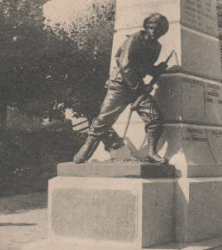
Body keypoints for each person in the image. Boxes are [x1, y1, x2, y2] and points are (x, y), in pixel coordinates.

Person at [73, 13, 170, 164]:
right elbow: (125, 65)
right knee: (104, 120)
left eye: (158, 29)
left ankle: (151, 152)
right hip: (120, 85)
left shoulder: (156, 47)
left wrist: (156, 69)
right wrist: (139, 87)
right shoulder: (135, 38)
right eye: (152, 27)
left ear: (162, 32)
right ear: (147, 27)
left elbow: (143, 66)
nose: (154, 31)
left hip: (136, 87)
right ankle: (85, 152)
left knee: (155, 118)